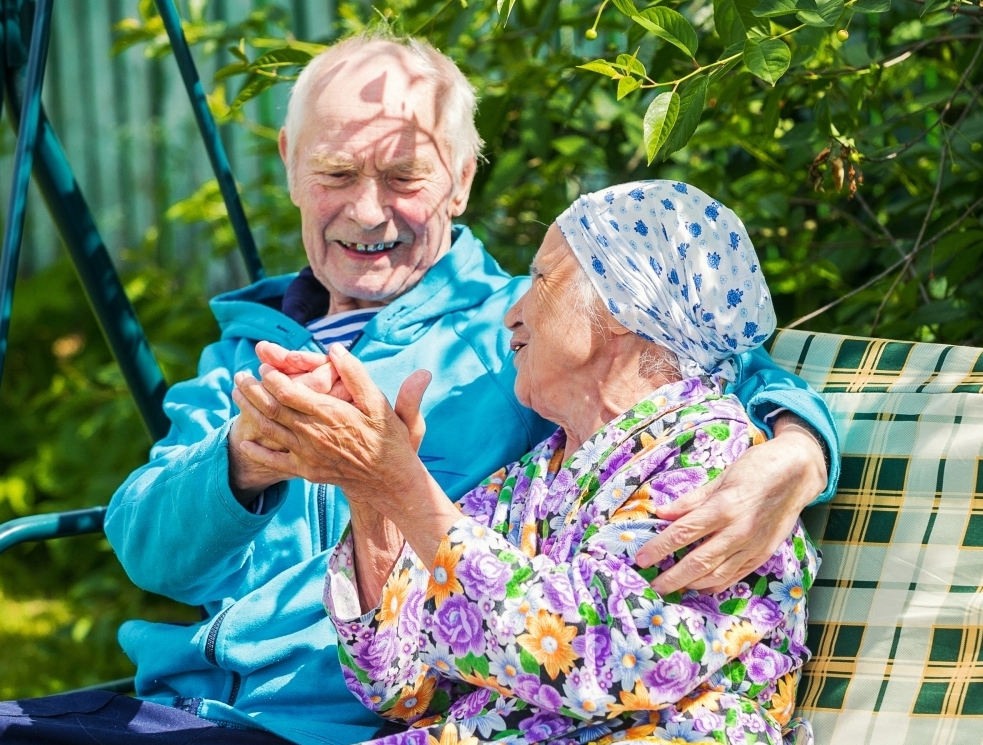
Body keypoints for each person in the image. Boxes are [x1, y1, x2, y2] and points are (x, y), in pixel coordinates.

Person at [0, 34, 836, 745]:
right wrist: (245, 460)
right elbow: (146, 546)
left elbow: (708, 362)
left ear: (462, 178)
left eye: (404, 176)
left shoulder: (521, 338)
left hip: (343, 717)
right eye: (335, 174)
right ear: (289, 163)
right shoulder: (247, 353)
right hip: (198, 700)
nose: (368, 212)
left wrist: (797, 450)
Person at [260, 180, 818, 744]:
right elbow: (402, 685)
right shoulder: (532, 477)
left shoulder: (714, 457)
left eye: (542, 278)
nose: (512, 314)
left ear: (625, 304)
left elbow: (592, 657)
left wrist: (400, 482)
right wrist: (372, 493)